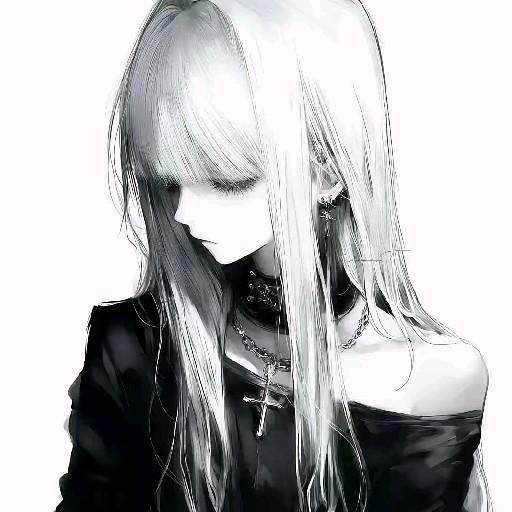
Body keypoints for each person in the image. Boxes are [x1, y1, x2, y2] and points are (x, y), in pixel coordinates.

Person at [55, 0, 491, 510]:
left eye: (226, 180)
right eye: (170, 179)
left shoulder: (434, 379)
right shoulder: (134, 348)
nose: (184, 212)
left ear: (327, 173)